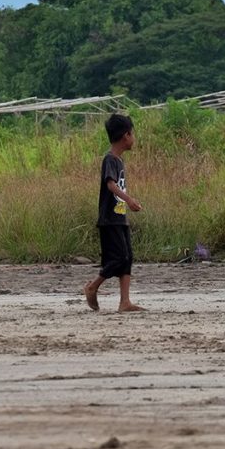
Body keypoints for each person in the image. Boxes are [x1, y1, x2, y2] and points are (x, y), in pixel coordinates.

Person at [84, 114, 144, 313]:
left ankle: (124, 302)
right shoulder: (110, 160)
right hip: (109, 219)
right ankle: (93, 286)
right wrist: (129, 200)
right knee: (118, 259)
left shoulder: (119, 161)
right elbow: (110, 185)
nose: (133, 138)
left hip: (120, 217)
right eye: (132, 133)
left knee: (128, 258)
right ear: (125, 135)